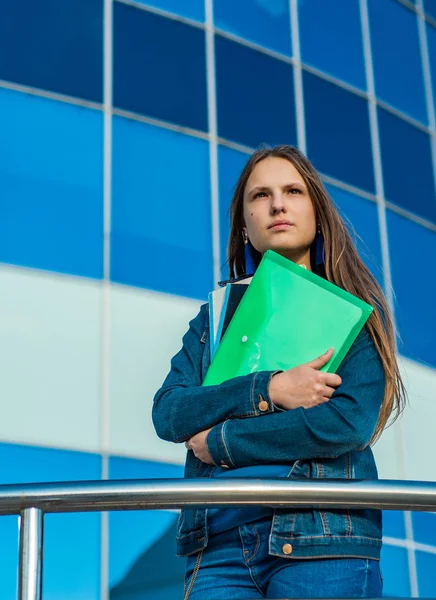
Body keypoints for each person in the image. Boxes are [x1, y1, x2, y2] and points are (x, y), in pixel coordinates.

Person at [152, 145, 406, 599]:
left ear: (317, 213)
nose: (278, 204)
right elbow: (170, 413)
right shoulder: (214, 320)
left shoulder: (352, 314)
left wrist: (220, 441)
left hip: (322, 540)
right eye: (260, 195)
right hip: (218, 548)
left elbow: (344, 424)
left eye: (293, 190)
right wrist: (269, 389)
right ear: (245, 225)